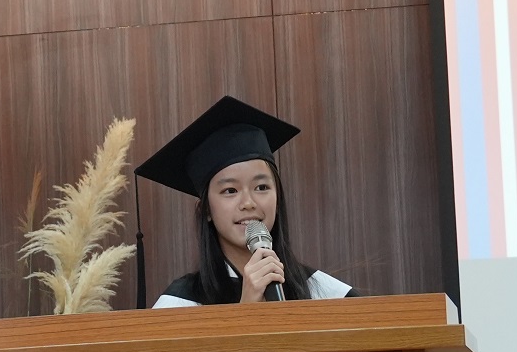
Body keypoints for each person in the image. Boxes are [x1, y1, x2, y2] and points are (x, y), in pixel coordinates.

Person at [134, 96, 357, 307]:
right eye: (230, 190)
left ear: (277, 199)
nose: (248, 202)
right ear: (206, 210)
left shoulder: (321, 292)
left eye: (261, 187)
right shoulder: (182, 303)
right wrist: (247, 311)